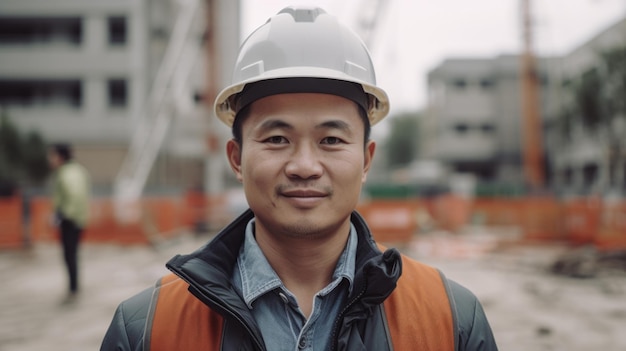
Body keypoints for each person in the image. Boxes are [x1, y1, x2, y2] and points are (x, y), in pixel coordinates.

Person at [101, 6, 498, 350]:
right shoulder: (147, 330)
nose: (304, 165)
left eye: (330, 139)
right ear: (236, 158)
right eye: (277, 138)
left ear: (366, 160)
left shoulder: (450, 319)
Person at [49, 143, 90, 304]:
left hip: (70, 220)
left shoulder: (66, 173)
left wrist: (63, 214)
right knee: (72, 254)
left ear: (60, 156)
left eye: (52, 155)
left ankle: (73, 289)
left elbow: (75, 194)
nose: (50, 159)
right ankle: (74, 287)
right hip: (79, 219)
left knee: (69, 255)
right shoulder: (79, 170)